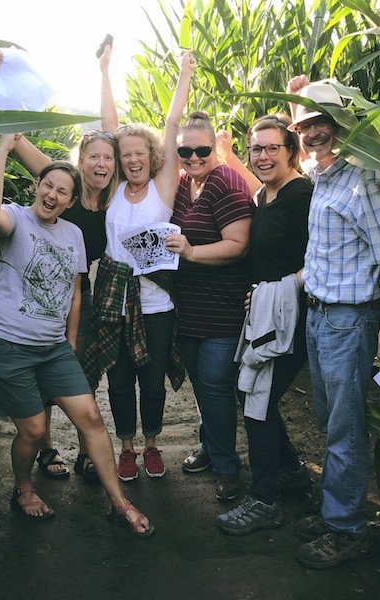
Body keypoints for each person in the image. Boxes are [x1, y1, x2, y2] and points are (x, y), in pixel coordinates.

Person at [0, 134, 153, 538]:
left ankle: (118, 502)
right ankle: (23, 488)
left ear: (71, 202)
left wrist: (70, 340)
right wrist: (3, 148)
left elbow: (75, 291)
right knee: (34, 431)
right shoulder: (14, 218)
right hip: (6, 341)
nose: (52, 194)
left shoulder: (72, 233)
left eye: (62, 191)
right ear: (37, 186)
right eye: (48, 186)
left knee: (90, 415)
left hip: (53, 347)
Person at [285, 77, 380, 568]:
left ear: (340, 124)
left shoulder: (364, 181)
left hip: (349, 321)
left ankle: (346, 529)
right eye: (304, 126)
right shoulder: (321, 177)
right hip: (319, 317)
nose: (312, 133)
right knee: (327, 419)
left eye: (321, 122)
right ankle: (335, 508)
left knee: (344, 427)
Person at [0, 49, 118, 484]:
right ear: (80, 162)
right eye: (92, 157)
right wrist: (2, 79)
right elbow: (17, 138)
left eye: (107, 158)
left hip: (82, 292)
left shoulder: (113, 198)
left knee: (79, 375)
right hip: (40, 298)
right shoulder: (64, 185)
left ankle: (86, 453)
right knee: (39, 376)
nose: (100, 164)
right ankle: (45, 449)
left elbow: (112, 130)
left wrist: (104, 71)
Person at [82, 49, 195, 481]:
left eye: (138, 153)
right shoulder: (112, 190)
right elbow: (109, 123)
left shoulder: (162, 188)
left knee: (152, 380)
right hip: (116, 295)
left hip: (155, 299)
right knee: (119, 379)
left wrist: (184, 74)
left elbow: (170, 125)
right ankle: (125, 447)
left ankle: (151, 444)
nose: (131, 160)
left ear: (151, 156)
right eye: (124, 153)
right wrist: (106, 70)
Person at [213, 113, 313, 534]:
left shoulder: (303, 195)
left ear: (292, 151)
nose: (264, 155)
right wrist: (229, 154)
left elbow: (323, 256)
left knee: (256, 401)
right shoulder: (265, 196)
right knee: (251, 393)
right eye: (257, 148)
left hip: (291, 317)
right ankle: (289, 470)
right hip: (267, 316)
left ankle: (265, 499)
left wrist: (280, 289)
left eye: (274, 147)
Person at [164, 111, 255, 501]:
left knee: (216, 387)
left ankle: (228, 467)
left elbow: (238, 245)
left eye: (202, 149)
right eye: (185, 150)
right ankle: (210, 446)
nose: (193, 157)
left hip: (223, 311)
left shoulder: (227, 182)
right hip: (190, 311)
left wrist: (192, 252)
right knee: (203, 387)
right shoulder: (184, 183)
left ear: (215, 147)